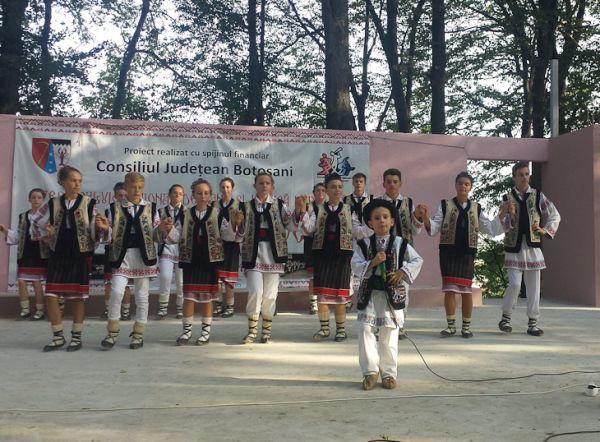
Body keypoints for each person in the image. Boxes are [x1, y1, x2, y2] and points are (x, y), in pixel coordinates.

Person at [420, 172, 506, 338]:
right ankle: (451, 326)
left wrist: (502, 214)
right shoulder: (445, 205)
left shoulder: (476, 208)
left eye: (466, 184)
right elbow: (435, 226)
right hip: (448, 253)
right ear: (455, 185)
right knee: (450, 290)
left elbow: (489, 228)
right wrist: (424, 217)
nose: (463, 186)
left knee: (466, 291)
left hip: (467, 254)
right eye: (460, 183)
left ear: (470, 187)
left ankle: (466, 327)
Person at [352, 199, 423, 390]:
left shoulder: (401, 243)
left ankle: (389, 373)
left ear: (392, 221)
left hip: (391, 294)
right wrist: (373, 262)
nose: (381, 221)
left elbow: (417, 260)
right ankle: (370, 371)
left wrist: (401, 272)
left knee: (389, 332)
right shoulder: (364, 244)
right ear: (370, 223)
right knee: (365, 329)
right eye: (376, 218)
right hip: (369, 293)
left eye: (385, 217)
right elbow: (355, 265)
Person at [30, 166, 102, 352]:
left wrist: (101, 228)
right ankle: (58, 336)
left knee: (77, 297)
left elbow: (95, 229)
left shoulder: (88, 203)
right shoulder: (53, 203)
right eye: (73, 180)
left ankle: (76, 338)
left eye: (79, 181)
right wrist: (46, 234)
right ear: (62, 182)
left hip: (79, 255)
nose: (77, 184)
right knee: (51, 295)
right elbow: (36, 222)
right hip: (58, 254)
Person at [98, 172, 172, 350]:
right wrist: (105, 229)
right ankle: (112, 332)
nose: (137, 190)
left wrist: (162, 229)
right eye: (133, 187)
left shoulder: (151, 208)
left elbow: (155, 234)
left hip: (143, 256)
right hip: (121, 256)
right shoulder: (114, 208)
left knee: (142, 296)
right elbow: (109, 234)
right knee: (116, 291)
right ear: (125, 187)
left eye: (140, 187)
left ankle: (138, 334)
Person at [168, 179, 244, 345]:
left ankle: (205, 332)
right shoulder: (185, 214)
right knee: (189, 297)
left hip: (210, 262)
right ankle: (186, 332)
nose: (203, 196)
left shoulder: (217, 214)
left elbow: (228, 235)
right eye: (199, 193)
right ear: (193, 195)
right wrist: (167, 229)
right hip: (191, 260)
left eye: (206, 193)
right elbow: (176, 235)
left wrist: (236, 224)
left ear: (210, 195)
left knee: (207, 298)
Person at [497, 162, 561, 336]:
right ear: (514, 177)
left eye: (526, 174)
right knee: (515, 284)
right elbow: (502, 224)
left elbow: (554, 214)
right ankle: (506, 318)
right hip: (513, 247)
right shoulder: (507, 198)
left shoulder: (538, 195)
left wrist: (545, 230)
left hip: (532, 248)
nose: (524, 177)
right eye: (520, 174)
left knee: (534, 287)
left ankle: (533, 322)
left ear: (529, 176)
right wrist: (508, 214)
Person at [239, 172, 298, 344]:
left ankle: (266, 331)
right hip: (253, 254)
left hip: (273, 255)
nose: (264, 186)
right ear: (254, 186)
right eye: (261, 183)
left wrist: (298, 212)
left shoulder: (279, 205)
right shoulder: (246, 206)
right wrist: (238, 222)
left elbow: (291, 226)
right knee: (255, 291)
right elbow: (239, 233)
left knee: (271, 294)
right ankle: (252, 331)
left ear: (272, 186)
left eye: (267, 183)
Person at [299, 173, 353, 342]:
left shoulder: (349, 209)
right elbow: (309, 229)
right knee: (322, 295)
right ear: (327, 190)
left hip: (342, 258)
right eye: (333, 187)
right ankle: (324, 329)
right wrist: (303, 213)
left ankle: (341, 330)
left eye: (340, 187)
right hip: (322, 257)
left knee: (340, 296)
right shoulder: (319, 210)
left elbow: (358, 230)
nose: (337, 190)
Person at [0, 188, 49, 321]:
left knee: (37, 283)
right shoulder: (23, 216)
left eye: (39, 197)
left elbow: (50, 234)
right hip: (25, 253)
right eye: (33, 197)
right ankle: (25, 311)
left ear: (43, 200)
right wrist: (5, 231)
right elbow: (18, 235)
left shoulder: (46, 217)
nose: (36, 200)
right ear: (29, 200)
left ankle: (40, 311)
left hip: (39, 253)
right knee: (21, 281)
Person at [101, 182, 132, 321]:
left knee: (126, 284)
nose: (123, 198)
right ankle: (108, 310)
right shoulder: (109, 211)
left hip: (127, 252)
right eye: (120, 195)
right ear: (115, 196)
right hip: (111, 251)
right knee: (109, 282)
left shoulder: (132, 211)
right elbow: (104, 232)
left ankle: (125, 311)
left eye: (125, 195)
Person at [214, 177, 244, 319]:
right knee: (217, 278)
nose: (225, 190)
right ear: (220, 189)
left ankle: (230, 306)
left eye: (228, 187)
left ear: (232, 188)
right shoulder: (214, 205)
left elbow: (243, 227)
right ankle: (218, 305)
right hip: (217, 245)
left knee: (229, 279)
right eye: (223, 187)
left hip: (232, 246)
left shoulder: (239, 205)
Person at [343, 172, 372, 312]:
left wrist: (366, 232)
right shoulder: (345, 200)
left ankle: (364, 296)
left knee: (367, 267)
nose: (358, 184)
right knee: (348, 268)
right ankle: (347, 299)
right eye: (356, 181)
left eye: (361, 181)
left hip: (368, 239)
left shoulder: (372, 200)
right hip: (350, 239)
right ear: (352, 183)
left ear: (365, 183)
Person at [156, 184, 185, 320]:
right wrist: (164, 229)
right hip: (166, 248)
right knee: (165, 277)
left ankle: (180, 307)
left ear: (183, 196)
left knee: (181, 281)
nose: (177, 195)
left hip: (181, 251)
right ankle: (163, 307)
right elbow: (156, 230)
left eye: (180, 193)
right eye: (174, 192)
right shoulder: (161, 211)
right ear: (169, 194)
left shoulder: (187, 212)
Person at [304, 183, 326, 315]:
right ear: (313, 193)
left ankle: (323, 301)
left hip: (326, 245)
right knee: (313, 275)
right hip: (311, 244)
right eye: (318, 190)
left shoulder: (330, 207)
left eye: (323, 190)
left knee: (324, 274)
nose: (320, 193)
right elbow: (304, 227)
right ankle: (313, 302)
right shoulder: (308, 207)